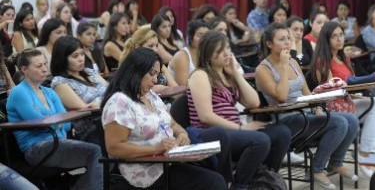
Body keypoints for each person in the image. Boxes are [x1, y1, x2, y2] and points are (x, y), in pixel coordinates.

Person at [101, 48, 226, 189]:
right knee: (214, 182)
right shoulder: (120, 102)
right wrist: (156, 149)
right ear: (134, 71)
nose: (155, 80)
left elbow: (172, 124)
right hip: (145, 172)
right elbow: (114, 147)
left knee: (216, 157)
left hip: (168, 161)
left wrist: (182, 134)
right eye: (151, 74)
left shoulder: (150, 96)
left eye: (158, 74)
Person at [255, 22, 359, 190]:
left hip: (305, 115)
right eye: (282, 39)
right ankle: (316, 169)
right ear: (269, 44)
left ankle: (336, 162)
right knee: (339, 123)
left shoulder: (294, 63)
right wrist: (282, 65)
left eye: (288, 38)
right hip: (286, 120)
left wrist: (317, 107)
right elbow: (281, 97)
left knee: (351, 120)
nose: (288, 42)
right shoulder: (263, 69)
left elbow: (307, 93)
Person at [188, 31, 292, 189]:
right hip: (212, 134)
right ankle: (240, 186)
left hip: (236, 132)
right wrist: (241, 128)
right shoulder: (200, 75)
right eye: (219, 51)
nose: (226, 53)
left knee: (282, 133)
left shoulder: (227, 75)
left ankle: (262, 179)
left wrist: (236, 74)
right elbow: (206, 116)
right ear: (208, 55)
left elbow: (253, 102)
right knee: (260, 140)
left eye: (228, 48)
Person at [308, 21, 375, 178]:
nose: (339, 39)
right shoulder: (322, 61)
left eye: (341, 35)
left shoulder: (344, 58)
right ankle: (365, 152)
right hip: (334, 107)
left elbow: (352, 86)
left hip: (348, 101)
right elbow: (331, 89)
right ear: (326, 39)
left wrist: (363, 88)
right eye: (334, 36)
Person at [7, 49, 103, 189]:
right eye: (39, 66)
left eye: (45, 64)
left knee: (102, 154)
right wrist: (57, 122)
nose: (45, 69)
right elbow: (40, 123)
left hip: (58, 142)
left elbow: (67, 124)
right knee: (95, 152)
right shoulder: (19, 92)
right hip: (36, 148)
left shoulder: (49, 92)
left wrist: (56, 123)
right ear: (24, 69)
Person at [50, 36, 108, 143]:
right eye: (75, 56)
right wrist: (108, 102)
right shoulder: (60, 82)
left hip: (107, 116)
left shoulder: (89, 72)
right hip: (89, 125)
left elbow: (112, 92)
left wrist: (102, 103)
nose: (81, 59)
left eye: (82, 54)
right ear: (63, 58)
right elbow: (85, 108)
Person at [120, 25, 178, 91]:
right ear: (138, 47)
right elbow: (136, 91)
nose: (155, 50)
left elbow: (176, 89)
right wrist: (158, 89)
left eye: (156, 46)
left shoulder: (158, 64)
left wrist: (164, 70)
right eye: (150, 46)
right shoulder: (131, 67)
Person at [168, 20, 211, 86]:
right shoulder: (182, 56)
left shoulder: (206, 54)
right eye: (200, 35)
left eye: (207, 36)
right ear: (190, 37)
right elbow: (183, 87)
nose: (204, 39)